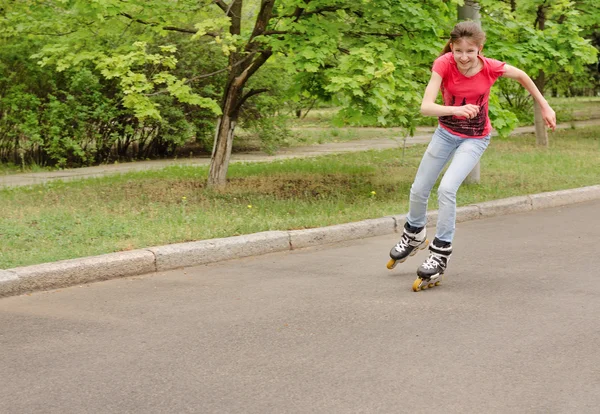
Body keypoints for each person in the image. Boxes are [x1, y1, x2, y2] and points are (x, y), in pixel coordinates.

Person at [387, 21, 556, 291]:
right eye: (458, 51)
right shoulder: (443, 64)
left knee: (447, 189)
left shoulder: (490, 67)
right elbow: (426, 107)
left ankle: (440, 253)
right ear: (451, 48)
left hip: (475, 139)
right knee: (419, 189)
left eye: (470, 51)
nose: (463, 57)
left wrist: (545, 105)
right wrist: (456, 111)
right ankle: (414, 234)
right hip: (445, 134)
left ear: (480, 49)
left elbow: (523, 75)